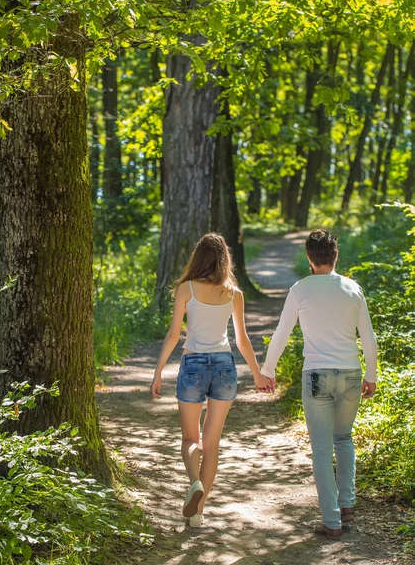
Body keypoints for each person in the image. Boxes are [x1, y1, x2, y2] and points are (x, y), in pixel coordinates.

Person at [261, 229, 377, 539]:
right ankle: (347, 504)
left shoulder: (301, 289)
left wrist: (267, 370)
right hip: (352, 374)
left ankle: (332, 521)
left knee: (323, 450)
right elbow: (369, 337)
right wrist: (372, 375)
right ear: (335, 255)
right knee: (344, 437)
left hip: (316, 376)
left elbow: (282, 334)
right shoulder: (353, 289)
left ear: (309, 258)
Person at [151, 233, 273, 527]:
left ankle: (195, 483)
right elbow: (242, 340)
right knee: (212, 444)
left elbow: (173, 336)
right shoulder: (234, 293)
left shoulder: (186, 289)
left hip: (192, 363)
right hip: (224, 366)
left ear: (198, 257)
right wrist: (257, 373)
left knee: (190, 439)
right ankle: (199, 513)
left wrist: (158, 372)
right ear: (225, 259)